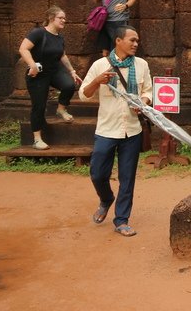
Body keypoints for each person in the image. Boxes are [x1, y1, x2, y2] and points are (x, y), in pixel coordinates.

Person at [79, 26, 152, 237]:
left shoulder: (142, 65)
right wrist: (97, 81)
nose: (136, 44)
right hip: (106, 129)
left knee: (127, 178)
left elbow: (147, 90)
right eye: (132, 40)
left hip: (132, 130)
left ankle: (121, 220)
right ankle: (106, 199)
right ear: (118, 41)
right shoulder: (100, 65)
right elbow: (84, 94)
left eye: (137, 40)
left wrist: (143, 102)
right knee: (97, 173)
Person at [17, 6, 82, 150]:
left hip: (54, 70)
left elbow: (62, 55)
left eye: (64, 18)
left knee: (69, 86)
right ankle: (37, 139)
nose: (64, 20)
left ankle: (61, 109)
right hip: (38, 74)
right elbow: (23, 48)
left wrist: (72, 71)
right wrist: (32, 65)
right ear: (52, 18)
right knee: (39, 106)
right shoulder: (38, 33)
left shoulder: (59, 37)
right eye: (61, 18)